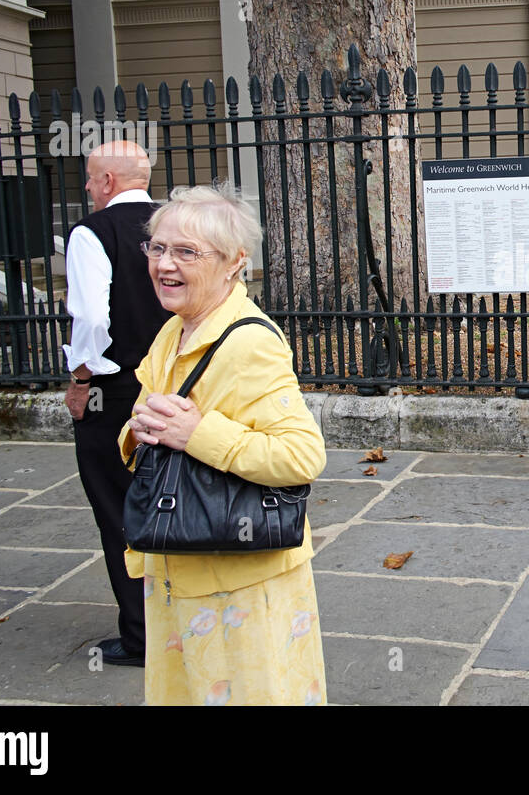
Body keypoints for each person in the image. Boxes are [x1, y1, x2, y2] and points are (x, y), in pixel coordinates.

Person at [119, 184, 328, 705]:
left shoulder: (249, 341)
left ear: (235, 263)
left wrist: (198, 434)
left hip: (236, 582)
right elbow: (148, 419)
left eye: (187, 252)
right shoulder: (176, 329)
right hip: (179, 563)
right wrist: (136, 431)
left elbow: (302, 455)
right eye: (159, 248)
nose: (165, 264)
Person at [64, 139, 170, 668]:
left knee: (119, 508)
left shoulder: (91, 232)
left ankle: (143, 636)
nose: (86, 186)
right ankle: (187, 621)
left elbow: (90, 320)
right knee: (179, 501)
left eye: (89, 177)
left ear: (108, 181)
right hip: (178, 382)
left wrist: (81, 379)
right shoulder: (175, 224)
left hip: (119, 388)